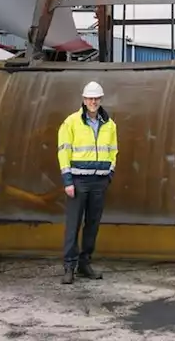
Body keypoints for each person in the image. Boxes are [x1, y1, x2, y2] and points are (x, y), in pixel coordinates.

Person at [56, 80, 118, 284]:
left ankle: (85, 263)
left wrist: (109, 175)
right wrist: (68, 181)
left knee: (92, 225)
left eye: (96, 98)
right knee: (73, 225)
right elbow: (63, 151)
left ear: (100, 100)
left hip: (99, 182)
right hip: (78, 181)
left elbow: (113, 151)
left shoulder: (109, 124)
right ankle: (69, 266)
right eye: (90, 98)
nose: (93, 101)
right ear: (83, 100)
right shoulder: (71, 122)